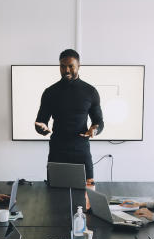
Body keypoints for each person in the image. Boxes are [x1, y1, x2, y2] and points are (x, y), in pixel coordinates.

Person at [34, 48, 104, 183]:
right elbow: (40, 122)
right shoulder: (50, 92)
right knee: (55, 195)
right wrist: (41, 128)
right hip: (57, 151)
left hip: (81, 151)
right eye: (62, 66)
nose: (66, 70)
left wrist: (94, 129)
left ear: (79, 66)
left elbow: (99, 121)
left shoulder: (90, 91)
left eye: (71, 66)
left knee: (87, 194)